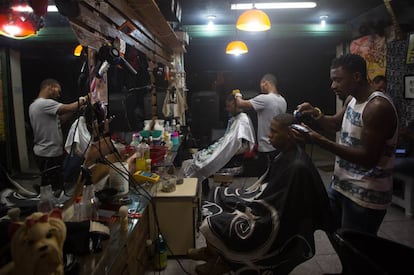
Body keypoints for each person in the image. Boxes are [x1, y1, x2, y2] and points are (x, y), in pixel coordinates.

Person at [188, 113, 332, 275]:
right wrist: (251, 198)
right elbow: (268, 189)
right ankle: (213, 253)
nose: (269, 135)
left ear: (291, 135)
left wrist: (251, 205)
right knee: (217, 194)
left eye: (274, 132)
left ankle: (226, 262)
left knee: (216, 219)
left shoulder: (297, 167)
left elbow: (280, 208)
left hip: (271, 222)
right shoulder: (285, 154)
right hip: (265, 202)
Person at [296, 54, 398, 236]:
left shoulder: (377, 108)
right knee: (337, 237)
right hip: (341, 186)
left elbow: (368, 158)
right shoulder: (352, 100)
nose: (333, 86)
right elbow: (334, 123)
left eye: (338, 80)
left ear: (357, 77)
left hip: (364, 196)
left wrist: (319, 140)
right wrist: (315, 113)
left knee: (357, 252)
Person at [181, 94, 256, 189]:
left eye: (229, 106)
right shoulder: (237, 118)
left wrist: (217, 151)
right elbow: (228, 141)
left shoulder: (242, 121)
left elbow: (237, 145)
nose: (227, 109)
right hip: (229, 152)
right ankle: (201, 190)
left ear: (236, 105)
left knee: (197, 164)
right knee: (198, 156)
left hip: (233, 156)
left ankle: (196, 191)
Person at [29, 78, 88, 193]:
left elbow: (59, 121)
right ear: (50, 87)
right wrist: (85, 98)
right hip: (49, 153)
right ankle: (50, 204)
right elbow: (68, 107)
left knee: (49, 182)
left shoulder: (34, 105)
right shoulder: (44, 104)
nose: (59, 94)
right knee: (56, 187)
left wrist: (76, 110)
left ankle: (43, 195)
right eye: (58, 90)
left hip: (43, 152)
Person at [234, 73, 287, 175]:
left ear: (265, 83)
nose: (260, 87)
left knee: (264, 179)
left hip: (266, 147)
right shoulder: (282, 100)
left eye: (261, 84)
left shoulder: (265, 98)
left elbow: (241, 104)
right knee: (275, 176)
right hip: (278, 147)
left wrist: (237, 94)